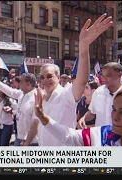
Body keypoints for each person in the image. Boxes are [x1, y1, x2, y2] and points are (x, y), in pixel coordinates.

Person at [23, 13, 113, 146]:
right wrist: (26, 143)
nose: (45, 80)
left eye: (49, 76)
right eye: (42, 77)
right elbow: (36, 123)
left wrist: (84, 45)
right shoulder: (40, 98)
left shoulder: (66, 95)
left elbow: (81, 81)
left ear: (58, 78)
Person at [0, 72, 39, 146]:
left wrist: (27, 141)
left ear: (28, 84)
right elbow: (9, 91)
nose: (19, 84)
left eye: (21, 82)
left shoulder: (36, 98)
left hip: (31, 141)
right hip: (19, 137)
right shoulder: (22, 94)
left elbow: (36, 123)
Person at [77, 62, 122, 129]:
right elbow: (92, 112)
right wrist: (83, 119)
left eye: (109, 75)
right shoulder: (98, 92)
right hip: (101, 136)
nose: (105, 78)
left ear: (120, 74)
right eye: (103, 75)